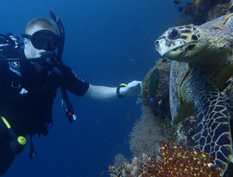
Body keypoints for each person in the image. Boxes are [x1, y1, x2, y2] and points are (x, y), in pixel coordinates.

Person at [0, 11, 142, 175]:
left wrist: (122, 91)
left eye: (51, 43)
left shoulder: (56, 71)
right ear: (26, 41)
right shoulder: (5, 65)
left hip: (11, 143)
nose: (45, 48)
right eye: (40, 41)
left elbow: (90, 91)